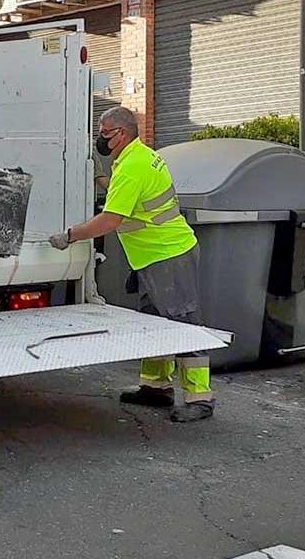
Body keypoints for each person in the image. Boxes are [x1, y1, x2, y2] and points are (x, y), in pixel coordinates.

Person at [48, 107, 214, 423]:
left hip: (167, 255)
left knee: (184, 324)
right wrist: (98, 177)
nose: (100, 139)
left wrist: (70, 236)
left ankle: (200, 398)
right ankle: (156, 387)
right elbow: (123, 192)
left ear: (121, 134)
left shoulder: (132, 167)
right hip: (155, 256)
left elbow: (110, 220)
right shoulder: (138, 157)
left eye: (104, 133)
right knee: (154, 322)